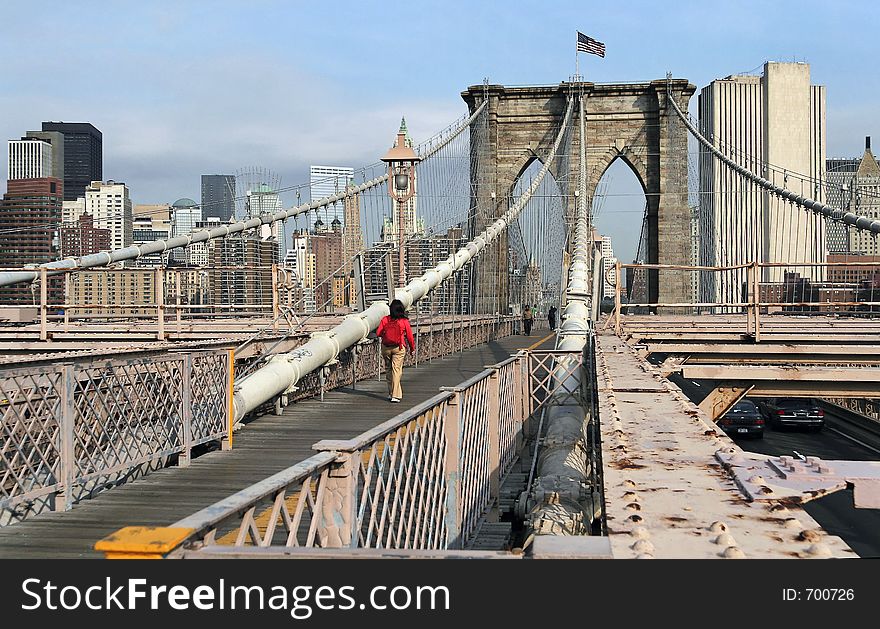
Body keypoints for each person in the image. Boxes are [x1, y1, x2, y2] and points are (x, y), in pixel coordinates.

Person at [376, 299, 415, 403]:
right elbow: (410, 337)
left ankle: (390, 393)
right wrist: (412, 348)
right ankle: (395, 395)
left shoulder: (385, 319)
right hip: (399, 347)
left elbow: (378, 332)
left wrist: (386, 334)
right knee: (396, 370)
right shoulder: (404, 321)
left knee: (388, 369)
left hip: (386, 347)